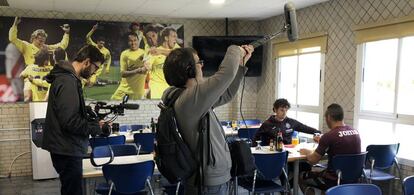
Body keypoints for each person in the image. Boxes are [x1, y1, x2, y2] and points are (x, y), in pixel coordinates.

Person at [162, 44, 254, 194]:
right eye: (199, 62)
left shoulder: (190, 99)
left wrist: (240, 64)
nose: (201, 67)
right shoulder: (188, 100)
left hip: (211, 180)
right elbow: (225, 75)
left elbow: (227, 94)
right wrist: (235, 49)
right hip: (208, 183)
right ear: (189, 69)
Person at [41, 45, 106, 195]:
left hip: (66, 147)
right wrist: (96, 128)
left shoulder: (68, 79)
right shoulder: (67, 82)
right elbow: (70, 122)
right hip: (67, 148)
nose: (95, 72)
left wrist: (87, 114)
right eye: (96, 67)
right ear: (87, 62)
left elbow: (70, 115)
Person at [299, 103, 361, 194]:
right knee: (323, 172)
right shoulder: (355, 132)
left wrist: (306, 153)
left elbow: (313, 160)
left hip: (334, 180)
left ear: (329, 117)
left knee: (301, 175)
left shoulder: (329, 136)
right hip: (353, 178)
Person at [9, 16, 70, 100]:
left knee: (49, 98)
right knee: (28, 97)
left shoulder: (47, 48)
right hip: (31, 75)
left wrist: (66, 34)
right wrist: (15, 25)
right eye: (40, 40)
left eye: (44, 41)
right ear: (34, 38)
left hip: (45, 76)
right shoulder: (26, 46)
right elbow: (13, 39)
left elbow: (62, 46)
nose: (42, 43)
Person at [252, 98, 321, 146]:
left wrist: (317, 132)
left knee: (305, 164)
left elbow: (305, 128)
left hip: (289, 151)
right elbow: (256, 138)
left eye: (286, 110)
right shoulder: (267, 124)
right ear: (275, 110)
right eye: (282, 110)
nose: (284, 113)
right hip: (273, 152)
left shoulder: (291, 122)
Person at [111, 32, 148, 100]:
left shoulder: (144, 53)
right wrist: (137, 70)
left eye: (135, 40)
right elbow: (123, 74)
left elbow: (147, 68)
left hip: (137, 92)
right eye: (130, 41)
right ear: (127, 42)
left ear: (138, 41)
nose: (133, 43)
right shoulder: (124, 54)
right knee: (111, 106)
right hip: (124, 90)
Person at [146, 27, 180, 99]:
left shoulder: (176, 48)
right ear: (166, 38)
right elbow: (147, 63)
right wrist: (147, 65)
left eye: (176, 37)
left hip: (172, 90)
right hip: (157, 89)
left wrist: (161, 51)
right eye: (173, 36)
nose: (175, 39)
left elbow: (178, 54)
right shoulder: (155, 51)